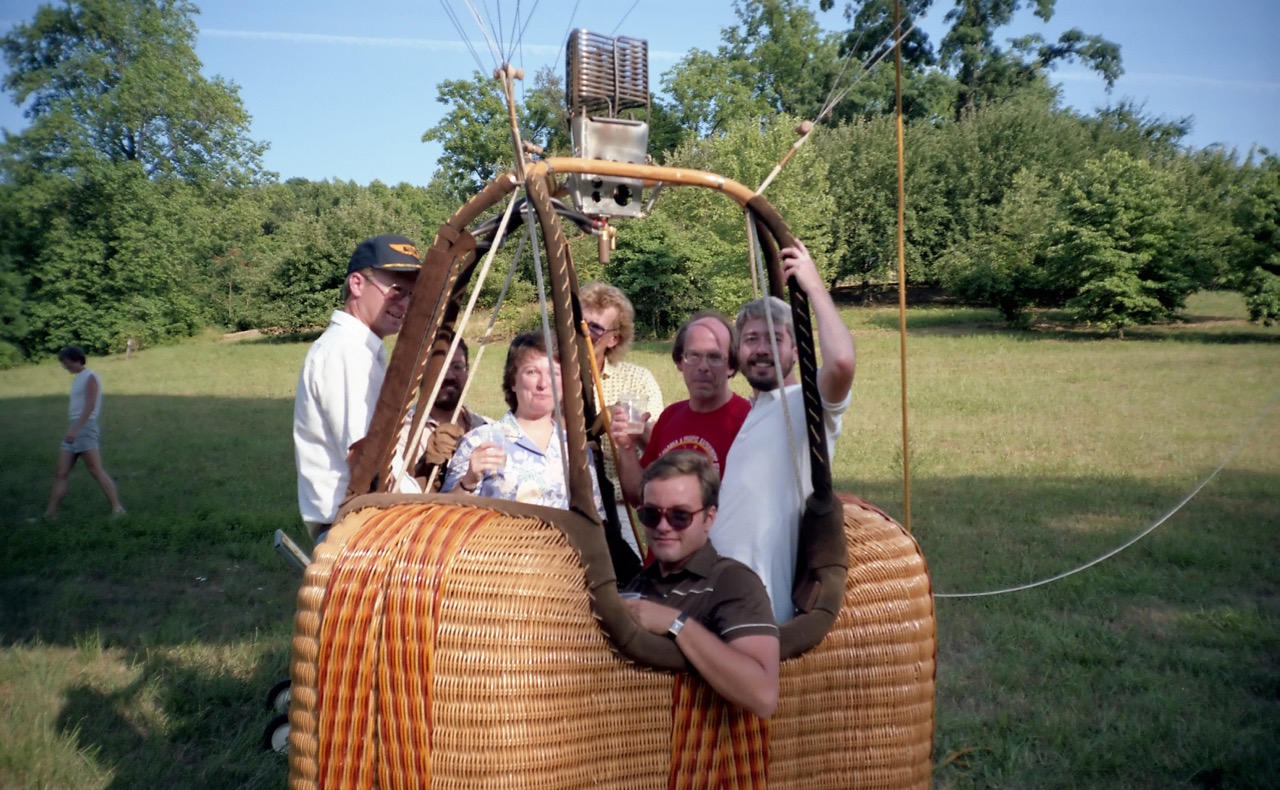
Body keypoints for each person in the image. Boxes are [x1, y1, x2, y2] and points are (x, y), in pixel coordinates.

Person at [709, 240, 856, 624]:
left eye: (775, 338)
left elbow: (840, 362)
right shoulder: (754, 412)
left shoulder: (805, 405)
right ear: (738, 352)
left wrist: (813, 286)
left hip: (761, 604)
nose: (761, 349)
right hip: (721, 591)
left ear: (795, 351)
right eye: (751, 339)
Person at [623, 450, 779, 719]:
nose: (663, 526)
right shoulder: (641, 584)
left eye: (679, 515)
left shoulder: (733, 582)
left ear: (709, 518)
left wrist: (676, 624)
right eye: (650, 515)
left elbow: (763, 696)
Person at [293, 233, 422, 541]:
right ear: (357, 284)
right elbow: (365, 457)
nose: (404, 304)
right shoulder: (346, 352)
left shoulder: (359, 350)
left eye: (411, 295)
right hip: (357, 532)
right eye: (395, 291)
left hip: (363, 525)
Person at [441, 332, 607, 519]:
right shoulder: (480, 441)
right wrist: (468, 482)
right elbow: (444, 519)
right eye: (532, 372)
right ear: (513, 381)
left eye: (554, 373)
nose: (543, 383)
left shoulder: (575, 449)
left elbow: (596, 521)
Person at [610, 310, 750, 506]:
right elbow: (637, 495)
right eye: (693, 356)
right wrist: (627, 447)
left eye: (715, 357)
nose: (703, 366)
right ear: (679, 362)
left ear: (732, 366)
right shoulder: (670, 417)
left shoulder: (747, 421)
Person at [580, 282, 663, 553]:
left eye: (595, 328)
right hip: (563, 503)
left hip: (619, 505)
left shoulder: (637, 379)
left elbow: (660, 449)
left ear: (614, 338)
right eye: (579, 322)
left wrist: (633, 424)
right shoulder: (550, 375)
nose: (583, 332)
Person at [43, 346, 126, 519]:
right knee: (61, 471)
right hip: (75, 426)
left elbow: (89, 405)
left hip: (84, 426)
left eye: (66, 363)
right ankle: (51, 514)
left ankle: (117, 509)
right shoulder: (78, 378)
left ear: (76, 360)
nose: (65, 367)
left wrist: (76, 429)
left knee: (95, 470)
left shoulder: (90, 377)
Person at [409, 337, 490, 491]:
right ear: (420, 373)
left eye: (457, 367)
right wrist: (425, 466)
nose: (449, 376)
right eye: (439, 367)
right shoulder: (403, 434)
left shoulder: (486, 428)